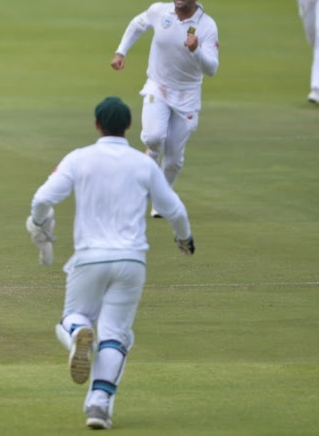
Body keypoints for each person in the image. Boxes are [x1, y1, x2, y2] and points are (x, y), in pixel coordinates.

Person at [25, 96, 195, 430]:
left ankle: (78, 334)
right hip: (132, 260)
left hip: (90, 257)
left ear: (96, 125)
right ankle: (98, 406)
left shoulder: (79, 158)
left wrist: (39, 223)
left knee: (71, 319)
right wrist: (183, 239)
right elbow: (173, 209)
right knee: (116, 335)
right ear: (129, 127)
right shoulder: (143, 163)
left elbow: (43, 198)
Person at [110, 0, 219, 216]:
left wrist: (197, 50)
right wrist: (121, 52)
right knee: (153, 137)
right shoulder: (160, 11)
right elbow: (137, 25)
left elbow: (212, 69)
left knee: (174, 159)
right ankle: (150, 155)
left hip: (187, 96)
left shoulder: (207, 26)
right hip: (157, 87)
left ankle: (161, 200)